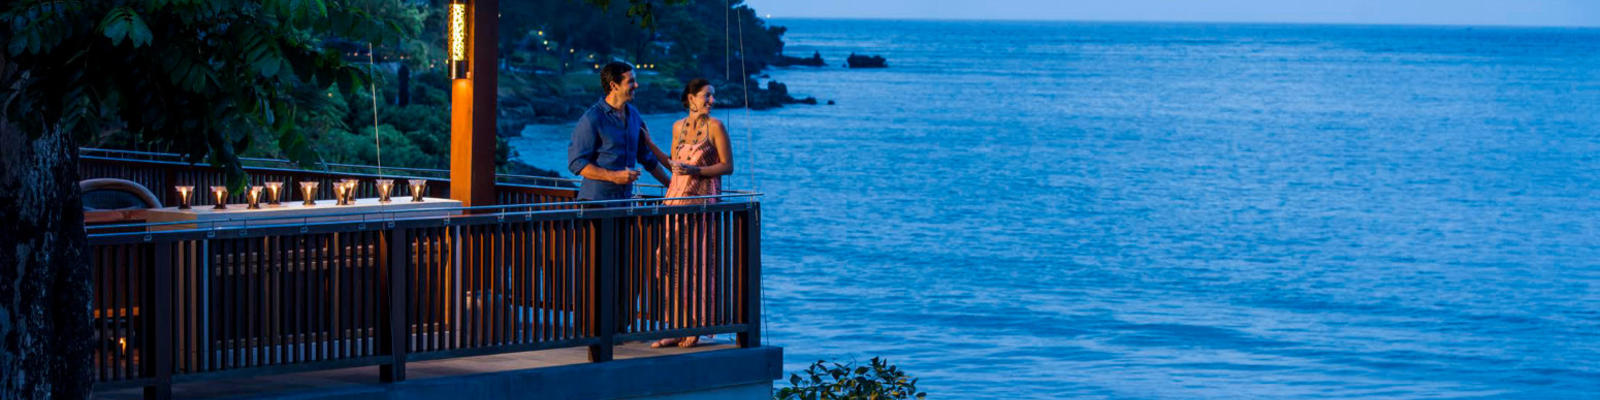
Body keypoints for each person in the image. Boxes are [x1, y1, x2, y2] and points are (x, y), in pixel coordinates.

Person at [648, 78, 734, 348]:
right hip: (674, 201)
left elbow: (727, 166)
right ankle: (676, 325)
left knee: (694, 265)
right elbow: (673, 165)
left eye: (713, 96)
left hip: (700, 204)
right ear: (691, 98)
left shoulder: (716, 127)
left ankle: (694, 326)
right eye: (706, 96)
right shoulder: (678, 127)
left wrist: (697, 171)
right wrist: (649, 144)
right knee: (666, 263)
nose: (711, 101)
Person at [568, 62, 670, 203]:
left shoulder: (634, 115)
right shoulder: (592, 118)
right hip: (596, 204)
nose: (636, 85)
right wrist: (613, 176)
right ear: (614, 85)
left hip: (625, 203)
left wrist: (672, 187)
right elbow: (576, 163)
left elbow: (648, 159)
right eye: (631, 82)